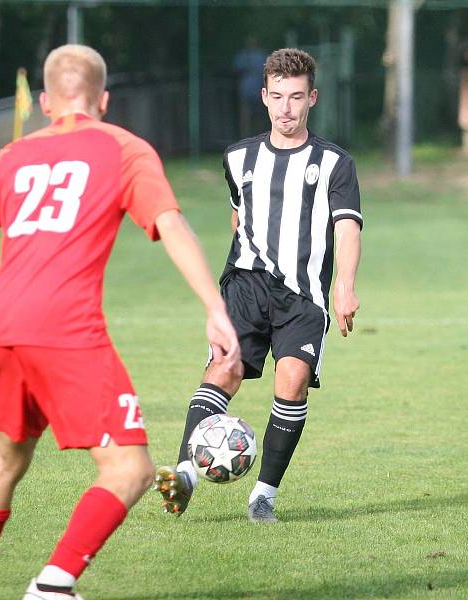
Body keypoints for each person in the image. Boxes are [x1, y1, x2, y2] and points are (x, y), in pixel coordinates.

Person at [0, 44, 240, 600]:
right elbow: (169, 224)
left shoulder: (12, 156)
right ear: (104, 100)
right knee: (131, 469)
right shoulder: (124, 148)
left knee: (9, 454)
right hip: (64, 327)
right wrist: (216, 309)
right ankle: (54, 585)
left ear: (45, 101)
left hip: (1, 324)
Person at [154, 48, 362, 524]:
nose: (285, 108)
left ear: (312, 98)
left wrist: (345, 287)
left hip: (304, 294)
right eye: (277, 97)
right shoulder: (239, 157)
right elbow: (238, 216)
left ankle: (263, 495)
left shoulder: (335, 163)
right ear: (264, 97)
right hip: (246, 285)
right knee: (223, 370)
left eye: (295, 97)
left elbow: (347, 228)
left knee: (292, 381)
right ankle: (184, 474)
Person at [233, 36, 268, 138]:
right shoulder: (242, 56)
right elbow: (236, 70)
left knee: (259, 116)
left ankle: (259, 136)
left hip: (258, 90)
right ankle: (244, 137)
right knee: (245, 115)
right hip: (245, 90)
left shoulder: (260, 56)